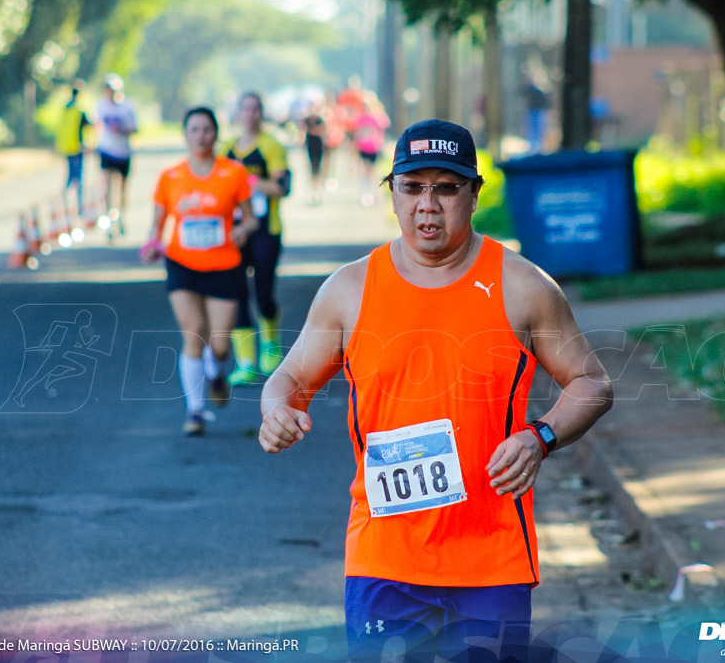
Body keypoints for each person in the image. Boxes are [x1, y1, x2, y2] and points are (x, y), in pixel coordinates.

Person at [258, 119, 613, 660]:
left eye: (446, 188)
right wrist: (274, 408)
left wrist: (540, 437)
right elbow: (288, 380)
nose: (428, 204)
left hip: (491, 559)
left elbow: (592, 381)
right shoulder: (350, 291)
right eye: (412, 187)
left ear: (474, 195)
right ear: (392, 194)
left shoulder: (523, 287)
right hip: (384, 561)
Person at [140, 106, 258, 436]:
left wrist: (243, 229)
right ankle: (195, 410)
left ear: (216, 133)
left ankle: (217, 373)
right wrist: (152, 244)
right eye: (194, 129)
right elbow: (157, 224)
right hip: (182, 264)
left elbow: (250, 217)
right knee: (193, 333)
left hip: (224, 265)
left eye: (207, 129)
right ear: (185, 134)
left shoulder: (233, 172)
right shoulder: (170, 176)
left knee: (219, 344)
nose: (201, 136)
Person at [220, 92, 290, 386]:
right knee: (236, 294)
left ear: (262, 114)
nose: (250, 114)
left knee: (263, 292)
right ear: (238, 114)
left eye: (256, 109)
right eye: (245, 109)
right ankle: (245, 362)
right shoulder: (227, 149)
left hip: (265, 230)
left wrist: (251, 183)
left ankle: (271, 344)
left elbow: (283, 187)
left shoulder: (271, 146)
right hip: (234, 231)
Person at [95, 73, 137, 237]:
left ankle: (120, 218)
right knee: (106, 187)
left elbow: (135, 129)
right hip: (106, 151)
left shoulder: (128, 106)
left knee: (122, 190)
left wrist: (120, 130)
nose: (109, 92)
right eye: (107, 89)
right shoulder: (100, 105)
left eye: (112, 89)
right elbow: (97, 125)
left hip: (123, 152)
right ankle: (108, 220)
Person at [54, 80, 90, 223]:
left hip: (66, 147)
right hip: (77, 147)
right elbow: (86, 126)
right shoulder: (79, 110)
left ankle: (63, 202)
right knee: (78, 178)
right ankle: (79, 207)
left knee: (69, 176)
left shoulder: (65, 108)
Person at [302, 104, 326, 206]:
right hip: (310, 145)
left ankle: (317, 189)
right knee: (312, 167)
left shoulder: (319, 119)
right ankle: (313, 189)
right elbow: (302, 131)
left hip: (317, 145)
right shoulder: (307, 120)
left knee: (318, 167)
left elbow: (322, 131)